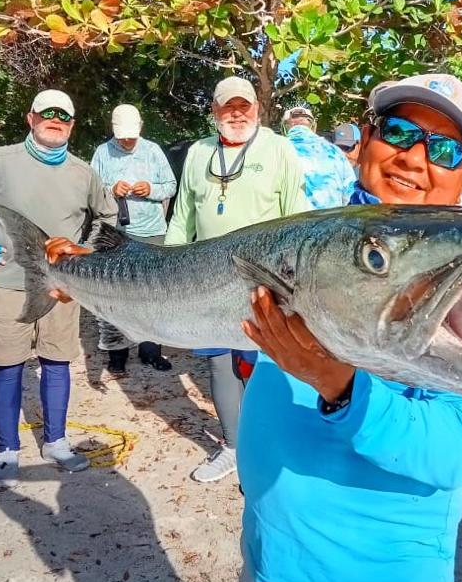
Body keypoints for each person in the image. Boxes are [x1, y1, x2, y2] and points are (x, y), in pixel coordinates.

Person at [236, 72, 462, 582]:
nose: (414, 157)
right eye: (400, 132)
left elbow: (449, 452)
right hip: (268, 571)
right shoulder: (313, 241)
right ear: (364, 140)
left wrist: (339, 383)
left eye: (443, 149)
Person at [0, 89, 118, 489]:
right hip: (6, 285)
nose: (55, 119)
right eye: (47, 113)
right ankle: (7, 450)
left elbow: (107, 216)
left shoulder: (83, 172)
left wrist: (85, 250)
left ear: (72, 124)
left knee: (57, 362)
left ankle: (57, 444)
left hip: (62, 288)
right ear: (30, 118)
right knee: (8, 365)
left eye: (63, 115)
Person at [164, 76, 310, 483]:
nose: (236, 114)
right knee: (218, 364)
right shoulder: (198, 153)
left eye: (244, 106)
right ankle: (231, 446)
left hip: (263, 282)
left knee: (265, 364)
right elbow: (183, 217)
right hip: (205, 278)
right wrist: (168, 262)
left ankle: (269, 448)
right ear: (213, 110)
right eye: (228, 107)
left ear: (258, 109)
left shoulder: (279, 149)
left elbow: (297, 216)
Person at [91, 103, 177, 374]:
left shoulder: (153, 151)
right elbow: (90, 191)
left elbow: (171, 186)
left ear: (140, 128)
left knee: (154, 293)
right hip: (116, 234)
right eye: (122, 135)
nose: (127, 140)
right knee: (114, 293)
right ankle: (116, 353)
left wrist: (151, 189)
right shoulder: (102, 153)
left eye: (132, 134)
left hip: (152, 232)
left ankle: (151, 350)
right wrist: (110, 189)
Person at [280, 105, 356, 210]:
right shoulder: (335, 153)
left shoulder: (276, 152)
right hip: (330, 223)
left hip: (287, 224)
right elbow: (350, 195)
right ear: (313, 127)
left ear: (284, 129)